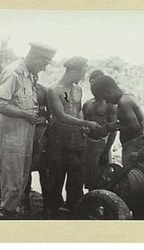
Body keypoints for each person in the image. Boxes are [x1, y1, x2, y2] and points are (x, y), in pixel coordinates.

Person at [0, 42, 56, 219]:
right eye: (43, 64)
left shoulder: (29, 75)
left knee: (22, 175)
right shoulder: (13, 72)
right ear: (35, 58)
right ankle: (8, 213)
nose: (43, 69)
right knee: (12, 175)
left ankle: (12, 209)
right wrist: (25, 115)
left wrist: (32, 116)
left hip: (25, 130)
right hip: (11, 131)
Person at [46, 56, 101, 217]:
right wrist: (87, 124)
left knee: (76, 178)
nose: (83, 77)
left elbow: (78, 111)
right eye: (82, 73)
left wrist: (84, 125)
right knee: (56, 177)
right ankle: (52, 212)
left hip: (76, 138)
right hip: (58, 138)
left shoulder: (78, 90)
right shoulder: (53, 90)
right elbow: (61, 116)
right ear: (73, 71)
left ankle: (75, 211)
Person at [91, 75, 144, 168]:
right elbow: (127, 123)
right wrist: (110, 126)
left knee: (133, 178)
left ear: (108, 91)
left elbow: (135, 127)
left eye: (105, 97)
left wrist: (112, 127)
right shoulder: (127, 97)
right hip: (134, 145)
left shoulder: (124, 102)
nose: (107, 102)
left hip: (135, 146)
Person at [82, 70, 118, 190]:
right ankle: (92, 204)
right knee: (90, 178)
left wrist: (106, 150)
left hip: (104, 144)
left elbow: (113, 128)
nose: (94, 86)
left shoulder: (110, 104)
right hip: (89, 144)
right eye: (92, 83)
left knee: (103, 178)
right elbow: (84, 123)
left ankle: (104, 204)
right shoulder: (87, 104)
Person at [22, 74, 51, 213]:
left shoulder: (44, 91)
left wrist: (44, 120)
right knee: (25, 167)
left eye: (35, 75)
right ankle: (25, 201)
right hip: (24, 130)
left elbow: (51, 114)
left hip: (40, 131)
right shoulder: (21, 89)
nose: (33, 77)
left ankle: (47, 203)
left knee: (44, 168)